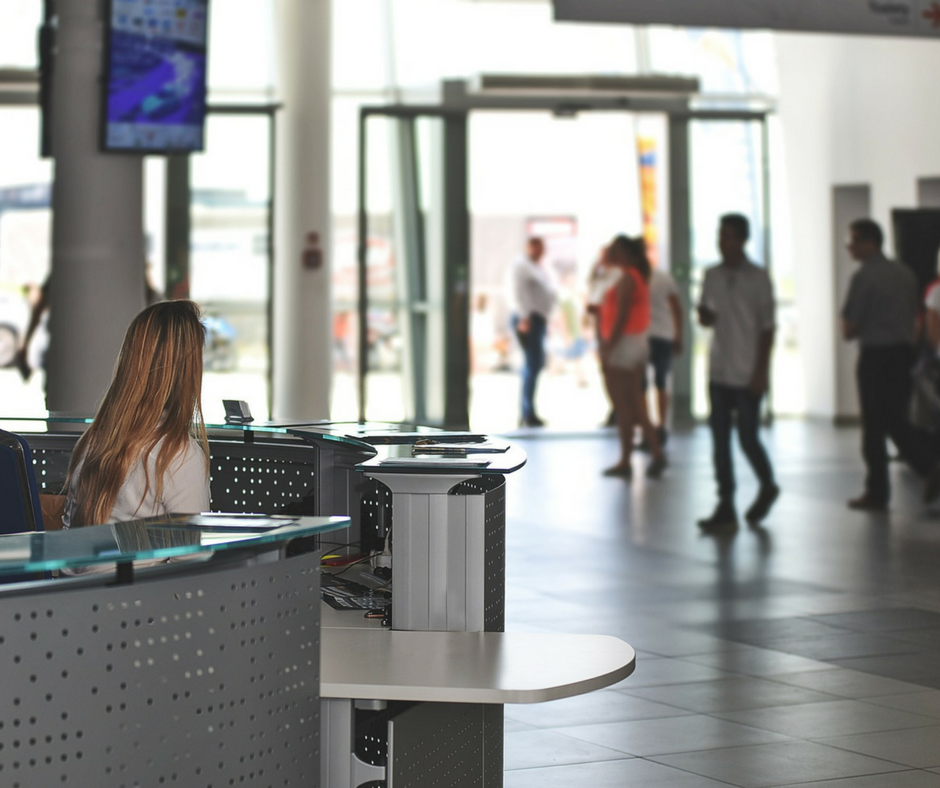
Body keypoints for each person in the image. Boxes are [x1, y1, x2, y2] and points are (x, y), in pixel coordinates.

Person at [63, 300, 210, 529]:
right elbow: (190, 558)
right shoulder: (180, 456)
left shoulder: (91, 442)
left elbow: (68, 539)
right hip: (149, 567)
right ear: (187, 371)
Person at [841, 218, 940, 511]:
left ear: (870, 242)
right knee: (896, 418)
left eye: (854, 240)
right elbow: (917, 317)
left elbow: (849, 328)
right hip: (902, 354)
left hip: (875, 356)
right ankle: (928, 462)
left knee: (874, 424)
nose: (850, 247)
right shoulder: (905, 273)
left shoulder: (864, 277)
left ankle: (879, 491)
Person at [697, 214, 779, 529]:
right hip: (718, 370)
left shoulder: (758, 278)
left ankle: (767, 483)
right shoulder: (711, 275)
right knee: (719, 441)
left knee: (747, 437)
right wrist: (704, 315)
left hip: (747, 371)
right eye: (720, 235)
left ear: (743, 239)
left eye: (728, 236)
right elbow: (706, 316)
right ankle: (726, 504)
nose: (722, 242)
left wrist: (761, 372)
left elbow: (768, 328)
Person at [598, 235, 666, 479]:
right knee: (635, 405)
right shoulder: (633, 276)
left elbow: (621, 317)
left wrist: (608, 347)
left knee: (625, 406)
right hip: (633, 343)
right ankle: (650, 453)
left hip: (624, 345)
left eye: (616, 250)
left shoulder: (628, 278)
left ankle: (631, 458)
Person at [511, 237, 556, 427]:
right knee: (531, 365)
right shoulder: (521, 266)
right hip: (529, 320)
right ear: (530, 247)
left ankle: (529, 411)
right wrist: (524, 318)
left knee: (535, 365)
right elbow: (517, 292)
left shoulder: (536, 267)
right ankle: (527, 413)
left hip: (537, 320)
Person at [645, 265, 684, 446]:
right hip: (659, 336)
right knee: (657, 383)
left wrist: (678, 335)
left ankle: (656, 428)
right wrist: (678, 335)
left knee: (652, 384)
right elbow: (677, 308)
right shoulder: (661, 277)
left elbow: (676, 307)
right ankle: (654, 427)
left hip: (650, 336)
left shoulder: (654, 277)